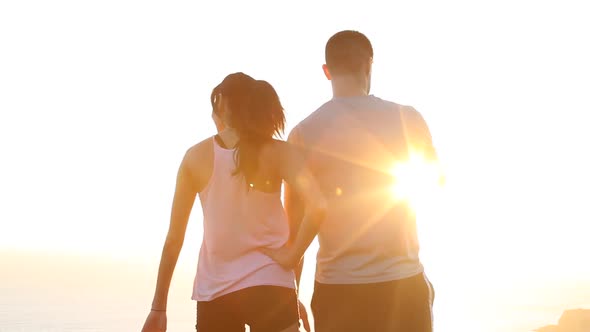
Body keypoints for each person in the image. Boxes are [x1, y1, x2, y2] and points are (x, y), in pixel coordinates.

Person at [262, 30, 441, 332]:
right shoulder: (408, 118)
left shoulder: (304, 134)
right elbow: (435, 180)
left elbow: (294, 229)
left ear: (326, 71)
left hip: (338, 289)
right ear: (368, 65)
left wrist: (290, 295)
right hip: (404, 284)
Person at [141, 72, 324, 332]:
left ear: (223, 104)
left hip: (216, 292)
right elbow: (320, 205)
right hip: (272, 284)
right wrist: (292, 259)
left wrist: (158, 309)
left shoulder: (195, 157)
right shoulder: (280, 152)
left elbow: (174, 239)